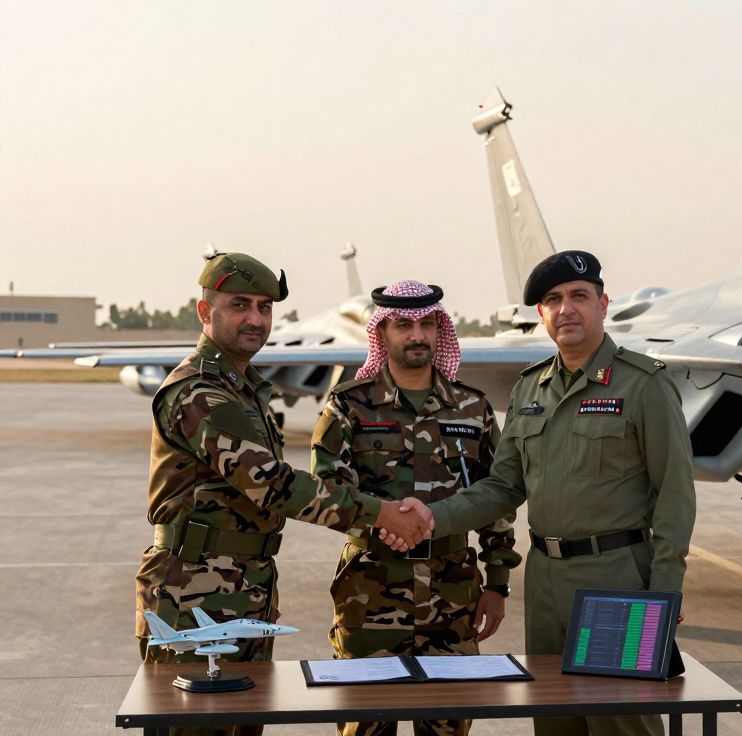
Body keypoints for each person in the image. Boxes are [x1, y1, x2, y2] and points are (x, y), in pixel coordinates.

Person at [385, 251, 697, 736]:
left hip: (615, 579)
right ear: (541, 314)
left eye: (579, 296)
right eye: (553, 300)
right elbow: (503, 486)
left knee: (621, 721)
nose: (566, 309)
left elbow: (676, 496)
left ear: (603, 304)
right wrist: (433, 516)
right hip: (546, 580)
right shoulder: (532, 388)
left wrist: (664, 594)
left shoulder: (644, 385)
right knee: (556, 718)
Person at [134, 253, 432, 736]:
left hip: (242, 587)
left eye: (265, 307)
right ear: (205, 312)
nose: (255, 319)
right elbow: (273, 485)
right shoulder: (201, 393)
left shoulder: (244, 389)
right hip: (192, 594)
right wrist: (382, 514)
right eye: (240, 305)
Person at [311, 280, 521, 736]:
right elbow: (328, 490)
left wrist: (498, 585)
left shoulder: (472, 407)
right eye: (403, 325)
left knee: (449, 725)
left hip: (454, 596)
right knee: (363, 726)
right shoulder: (348, 407)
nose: (417, 335)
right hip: (369, 595)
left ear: (440, 330)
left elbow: (498, 497)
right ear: (381, 332)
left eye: (428, 324)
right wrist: (380, 521)